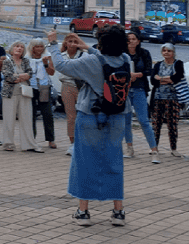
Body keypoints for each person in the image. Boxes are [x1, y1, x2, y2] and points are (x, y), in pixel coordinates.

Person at [46, 26, 130, 227]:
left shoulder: (91, 61)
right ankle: (118, 212)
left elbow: (61, 65)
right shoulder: (126, 60)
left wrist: (53, 43)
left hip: (91, 115)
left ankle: (83, 212)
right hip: (117, 116)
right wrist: (87, 47)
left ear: (102, 43)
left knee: (85, 161)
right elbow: (105, 59)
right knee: (113, 161)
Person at [123, 32, 160, 163]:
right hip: (125, 90)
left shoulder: (144, 53)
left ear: (138, 41)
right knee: (126, 121)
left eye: (134, 39)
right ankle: (129, 148)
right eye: (128, 39)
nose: (131, 41)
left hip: (139, 89)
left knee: (143, 121)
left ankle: (154, 150)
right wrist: (127, 75)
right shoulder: (122, 54)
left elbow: (149, 70)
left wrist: (138, 74)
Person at [0, 42, 41, 152]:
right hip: (10, 93)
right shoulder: (7, 61)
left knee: (27, 118)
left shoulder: (26, 61)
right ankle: (8, 144)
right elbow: (8, 77)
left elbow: (30, 73)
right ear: (12, 49)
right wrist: (22, 76)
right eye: (17, 46)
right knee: (9, 119)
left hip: (25, 92)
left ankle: (29, 144)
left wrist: (17, 77)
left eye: (22, 47)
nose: (19, 48)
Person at [150, 43, 185, 158]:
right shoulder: (158, 65)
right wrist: (168, 79)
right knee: (156, 124)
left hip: (173, 99)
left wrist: (161, 78)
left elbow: (177, 78)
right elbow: (153, 81)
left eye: (169, 51)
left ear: (173, 52)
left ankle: (174, 148)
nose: (166, 53)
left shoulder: (178, 63)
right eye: (164, 51)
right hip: (158, 98)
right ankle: (154, 147)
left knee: (172, 124)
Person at [57, 33, 85, 156]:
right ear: (66, 43)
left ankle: (83, 142)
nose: (72, 44)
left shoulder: (83, 55)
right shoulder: (61, 55)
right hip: (67, 85)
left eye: (75, 41)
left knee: (83, 115)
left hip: (81, 87)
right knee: (71, 116)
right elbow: (61, 69)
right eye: (70, 41)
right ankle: (72, 143)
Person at [27, 38, 56, 149]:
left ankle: (50, 139)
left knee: (47, 113)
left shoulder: (47, 56)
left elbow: (52, 72)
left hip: (44, 87)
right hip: (31, 87)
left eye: (41, 46)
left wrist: (45, 64)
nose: (39, 49)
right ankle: (31, 139)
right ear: (32, 48)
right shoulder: (27, 58)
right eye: (37, 46)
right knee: (31, 114)